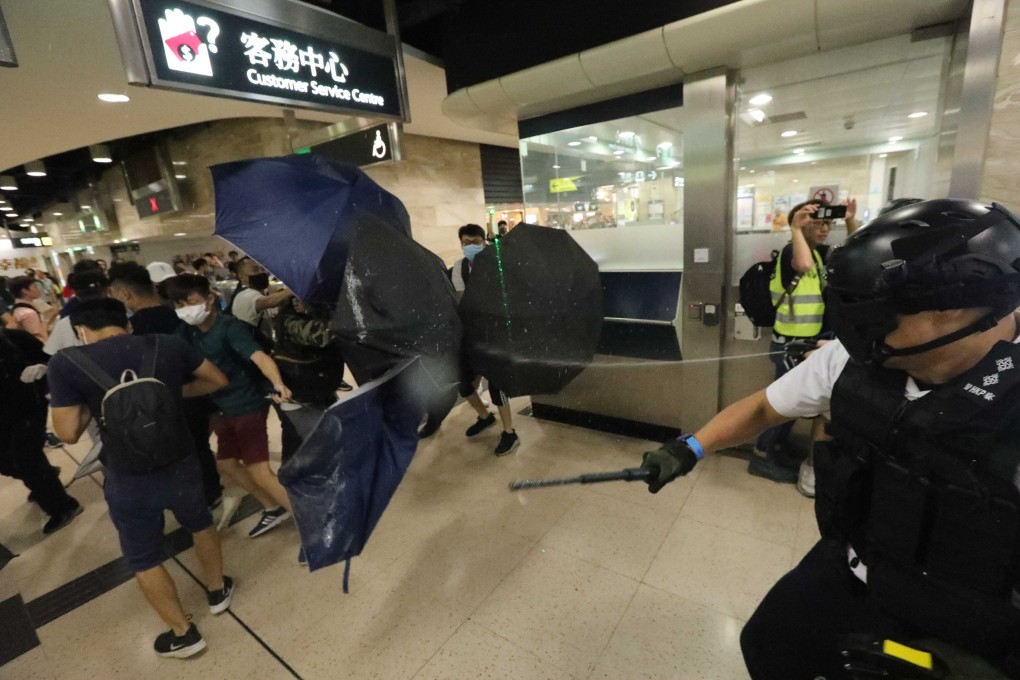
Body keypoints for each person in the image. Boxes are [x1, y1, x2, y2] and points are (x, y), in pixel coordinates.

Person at [639, 199, 1020, 679]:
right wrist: (687, 448)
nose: (860, 331)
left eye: (880, 315)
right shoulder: (854, 358)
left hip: (973, 622)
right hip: (857, 564)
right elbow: (763, 407)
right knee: (768, 644)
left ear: (957, 307)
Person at [47, 298, 232, 658]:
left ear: (81, 331)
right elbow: (217, 380)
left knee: (145, 557)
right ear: (128, 324)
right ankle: (217, 590)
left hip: (127, 476)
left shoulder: (66, 363)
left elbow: (67, 433)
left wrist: (96, 404)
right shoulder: (168, 343)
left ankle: (183, 633)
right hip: (180, 461)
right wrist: (169, 396)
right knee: (200, 522)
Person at [167, 274, 295, 538]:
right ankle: (273, 507)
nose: (185, 310)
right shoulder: (187, 332)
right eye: (179, 305)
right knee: (226, 463)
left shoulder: (229, 327)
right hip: (223, 408)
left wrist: (278, 382)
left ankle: (315, 526)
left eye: (190, 302)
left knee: (260, 471)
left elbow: (258, 356)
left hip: (247, 403)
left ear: (210, 298)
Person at [751, 198, 859, 483]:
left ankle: (775, 447)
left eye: (828, 223)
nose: (824, 229)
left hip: (807, 345)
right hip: (789, 345)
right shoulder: (793, 252)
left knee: (792, 405)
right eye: (817, 223)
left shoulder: (819, 254)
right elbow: (802, 263)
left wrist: (850, 220)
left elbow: (857, 254)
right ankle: (761, 456)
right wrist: (795, 229)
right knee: (784, 405)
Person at [108, 262, 224, 507]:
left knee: (185, 451)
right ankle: (211, 490)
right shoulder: (179, 313)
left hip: (168, 400)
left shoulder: (134, 329)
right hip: (202, 390)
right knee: (200, 445)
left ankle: (203, 497)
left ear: (123, 293)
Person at [423, 224, 519, 455]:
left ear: (484, 241)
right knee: (464, 382)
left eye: (475, 242)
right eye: (465, 243)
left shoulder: (499, 266)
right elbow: (454, 299)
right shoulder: (457, 268)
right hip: (467, 335)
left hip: (494, 336)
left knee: (497, 387)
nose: (470, 247)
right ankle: (485, 417)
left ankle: (509, 433)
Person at [0, 326, 82, 534]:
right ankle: (44, 479)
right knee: (7, 462)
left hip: (27, 408)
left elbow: (49, 358)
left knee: (26, 458)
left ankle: (62, 506)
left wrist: (42, 368)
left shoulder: (14, 338)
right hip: (4, 416)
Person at [272, 297, 351, 463]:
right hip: (298, 397)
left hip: (319, 390)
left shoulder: (317, 310)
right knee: (299, 449)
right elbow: (321, 335)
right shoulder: (289, 318)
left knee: (325, 442)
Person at [44, 270, 109, 356]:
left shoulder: (64, 324)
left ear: (75, 293)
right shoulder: (123, 317)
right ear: (107, 290)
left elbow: (51, 353)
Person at [230, 257, 292, 335]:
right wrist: (295, 289)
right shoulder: (244, 295)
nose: (261, 273)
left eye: (263, 269)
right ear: (241, 276)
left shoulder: (258, 291)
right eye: (255, 270)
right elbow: (270, 301)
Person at [8, 275, 50, 341]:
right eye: (35, 287)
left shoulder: (18, 309)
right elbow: (38, 338)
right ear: (25, 291)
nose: (38, 290)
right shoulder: (29, 313)